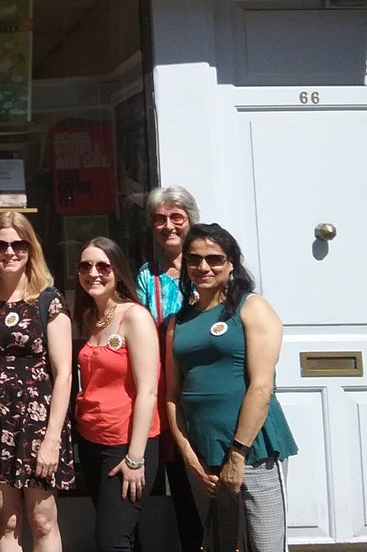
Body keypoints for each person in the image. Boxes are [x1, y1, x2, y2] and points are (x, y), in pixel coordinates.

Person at [166, 223, 298, 552]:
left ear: (231, 263)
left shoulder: (252, 308)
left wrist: (237, 455)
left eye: (214, 259)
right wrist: (189, 458)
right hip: (203, 454)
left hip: (255, 452)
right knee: (221, 545)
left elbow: (261, 387)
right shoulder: (177, 322)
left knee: (265, 546)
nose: (203, 267)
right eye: (194, 259)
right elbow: (172, 394)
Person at [0, 212, 75, 552]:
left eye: (18, 244)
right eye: (1, 245)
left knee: (42, 521)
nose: (10, 252)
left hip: (38, 422)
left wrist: (52, 439)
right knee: (8, 522)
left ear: (30, 248)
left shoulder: (48, 300)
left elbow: (63, 374)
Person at [74, 237, 161, 552]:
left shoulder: (134, 317)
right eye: (85, 266)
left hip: (125, 445)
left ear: (118, 271)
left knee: (112, 542)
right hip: (92, 442)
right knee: (125, 535)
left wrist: (135, 459)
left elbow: (148, 390)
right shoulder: (90, 318)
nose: (93, 273)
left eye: (102, 266)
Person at [135, 186, 204, 551]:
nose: (168, 226)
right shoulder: (149, 276)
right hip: (168, 394)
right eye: (160, 219)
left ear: (191, 220)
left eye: (176, 217)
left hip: (205, 392)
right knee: (179, 484)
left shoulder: (211, 268)